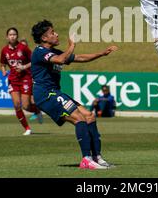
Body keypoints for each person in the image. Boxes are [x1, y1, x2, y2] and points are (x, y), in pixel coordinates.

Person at [30, 20, 118, 170]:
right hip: (45, 95)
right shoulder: (39, 52)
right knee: (79, 118)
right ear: (44, 38)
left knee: (89, 116)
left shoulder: (55, 52)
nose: (56, 34)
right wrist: (72, 45)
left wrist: (101, 53)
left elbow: (80, 58)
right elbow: (61, 59)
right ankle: (86, 159)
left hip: (55, 92)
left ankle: (97, 157)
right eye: (52, 32)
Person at [0, 28, 43, 136]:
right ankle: (27, 128)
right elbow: (2, 63)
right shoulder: (4, 50)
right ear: (7, 37)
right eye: (10, 34)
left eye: (14, 34)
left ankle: (37, 111)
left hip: (25, 79)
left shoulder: (23, 48)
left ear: (17, 36)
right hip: (13, 80)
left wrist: (23, 67)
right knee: (17, 104)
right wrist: (4, 71)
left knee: (26, 106)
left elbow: (34, 61)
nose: (12, 36)